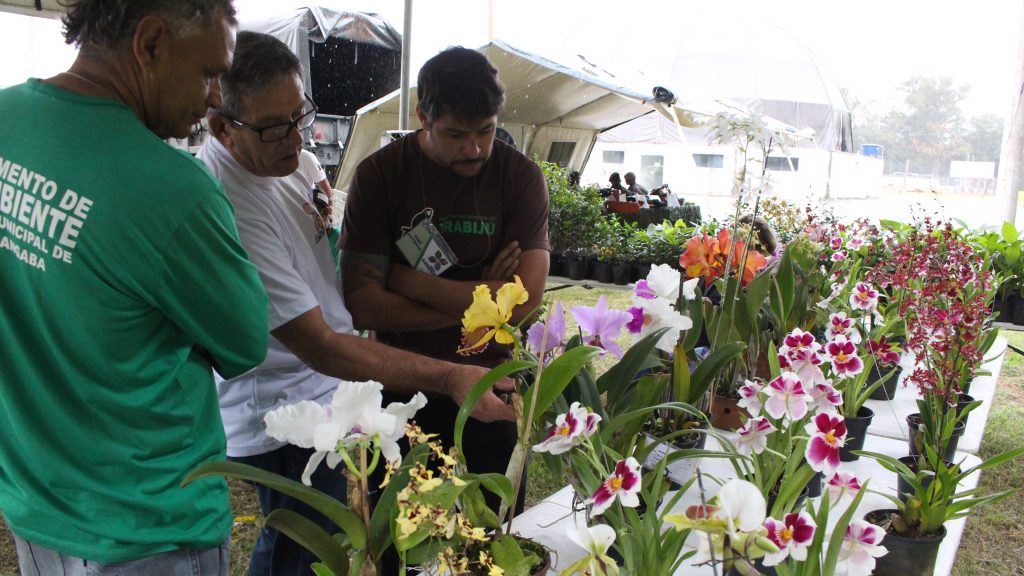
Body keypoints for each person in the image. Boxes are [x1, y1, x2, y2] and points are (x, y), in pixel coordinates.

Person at [198, 33, 516, 576]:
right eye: (274, 126)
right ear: (222, 126)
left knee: (327, 536)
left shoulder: (289, 160)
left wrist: (411, 285)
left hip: (330, 390)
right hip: (282, 405)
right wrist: (454, 366)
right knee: (301, 548)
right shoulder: (229, 204)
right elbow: (321, 344)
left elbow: (340, 263)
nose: (296, 139)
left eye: (300, 116)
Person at [0, 1, 270, 575]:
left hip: (36, 503)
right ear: (150, 44)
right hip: (149, 526)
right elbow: (245, 343)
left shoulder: (5, 122)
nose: (216, 96)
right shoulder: (172, 190)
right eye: (207, 72)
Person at [339, 46, 549, 508]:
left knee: (496, 530)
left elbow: (525, 299)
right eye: (455, 134)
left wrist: (410, 282)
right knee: (402, 532)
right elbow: (363, 303)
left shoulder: (520, 177)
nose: (473, 148)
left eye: (486, 132)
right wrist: (483, 303)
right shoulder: (381, 175)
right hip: (403, 382)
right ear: (422, 116)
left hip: (495, 381)